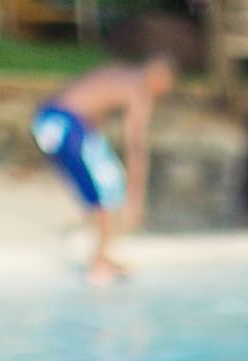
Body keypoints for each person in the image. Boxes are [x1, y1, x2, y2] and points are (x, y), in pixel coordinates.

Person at [31, 55, 176, 283]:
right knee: (108, 182)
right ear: (159, 77)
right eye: (165, 89)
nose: (162, 95)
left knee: (98, 185)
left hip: (47, 119)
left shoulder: (117, 74)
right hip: (65, 122)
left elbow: (88, 108)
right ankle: (99, 263)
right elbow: (135, 147)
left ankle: (101, 253)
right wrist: (135, 201)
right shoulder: (139, 89)